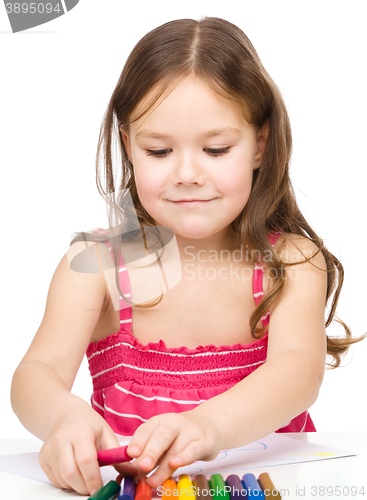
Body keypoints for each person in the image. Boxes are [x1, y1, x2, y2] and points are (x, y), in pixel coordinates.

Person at [10, 16, 365, 496]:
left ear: (259, 145)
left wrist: (210, 426)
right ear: (128, 145)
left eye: (216, 149)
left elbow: (298, 372)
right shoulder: (97, 265)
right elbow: (36, 374)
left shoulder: (292, 264)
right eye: (158, 150)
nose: (188, 173)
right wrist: (63, 418)